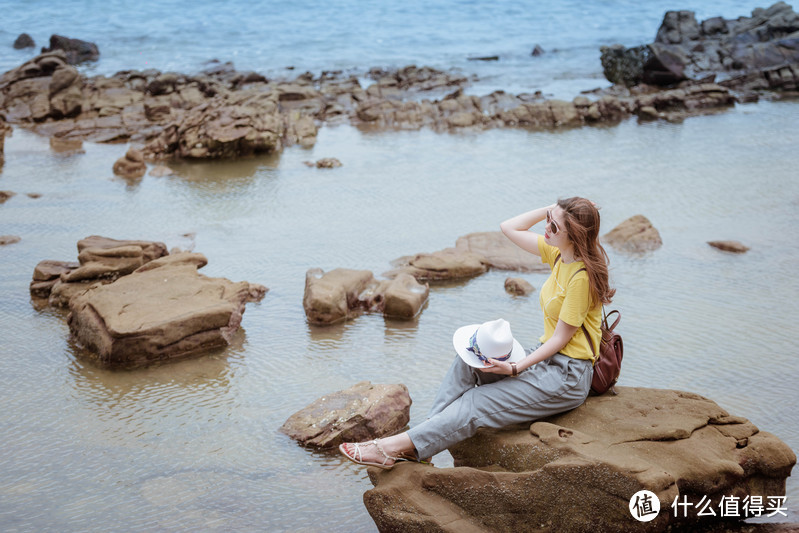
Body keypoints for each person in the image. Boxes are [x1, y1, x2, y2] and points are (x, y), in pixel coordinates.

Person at [339, 197, 615, 469]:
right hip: (546, 362)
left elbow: (560, 339)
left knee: (475, 402)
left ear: (574, 235)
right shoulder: (558, 253)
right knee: (469, 358)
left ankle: (388, 448)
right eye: (547, 221)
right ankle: (418, 446)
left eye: (554, 227)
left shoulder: (581, 277)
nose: (546, 229)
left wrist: (515, 367)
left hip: (567, 375)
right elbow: (509, 227)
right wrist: (554, 211)